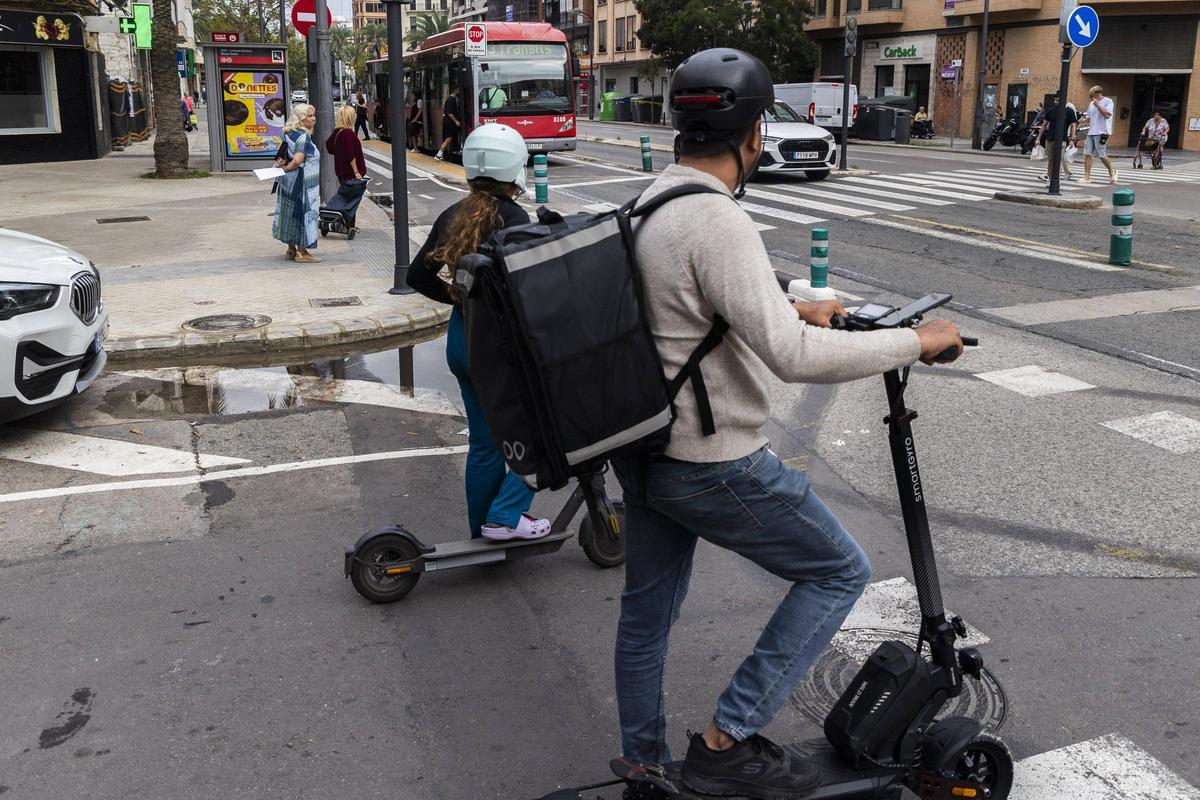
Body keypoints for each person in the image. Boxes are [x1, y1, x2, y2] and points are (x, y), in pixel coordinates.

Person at [613, 48, 964, 800]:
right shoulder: (716, 217)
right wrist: (917, 340)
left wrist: (788, 301)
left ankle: (645, 765)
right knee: (839, 570)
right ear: (751, 133)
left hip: (641, 450)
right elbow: (795, 357)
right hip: (711, 458)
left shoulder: (651, 203)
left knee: (646, 614)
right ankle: (725, 741)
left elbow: (690, 305)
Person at [407, 123, 553, 541]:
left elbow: (417, 275)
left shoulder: (453, 213)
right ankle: (506, 516)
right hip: (500, 348)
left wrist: (456, 297)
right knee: (542, 434)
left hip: (462, 341)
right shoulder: (512, 217)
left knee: (485, 444)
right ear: (514, 169)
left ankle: (483, 529)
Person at [272, 104, 321, 263]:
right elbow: (298, 159)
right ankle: (302, 251)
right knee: (303, 213)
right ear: (300, 118)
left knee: (289, 212)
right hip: (302, 182)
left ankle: (291, 249)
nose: (313, 118)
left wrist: (284, 169)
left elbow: (284, 153)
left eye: (313, 115)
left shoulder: (289, 133)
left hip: (287, 182)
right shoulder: (303, 137)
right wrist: (287, 168)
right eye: (309, 116)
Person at [1082, 85, 1118, 185]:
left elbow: (1107, 115)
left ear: (1098, 93)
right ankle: (1087, 177)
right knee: (1087, 154)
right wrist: (1083, 120)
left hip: (1102, 131)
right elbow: (1089, 118)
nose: (1091, 98)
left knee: (1101, 155)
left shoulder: (1108, 101)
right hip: (1091, 131)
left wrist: (1098, 105)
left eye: (1092, 96)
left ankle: (1112, 171)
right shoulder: (1091, 104)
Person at [1038, 96, 1076, 182]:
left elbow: (1073, 125)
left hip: (1062, 139)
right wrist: (1038, 138)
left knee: (1058, 161)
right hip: (1050, 138)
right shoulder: (1051, 110)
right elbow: (1044, 125)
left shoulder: (1069, 111)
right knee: (1050, 160)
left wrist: (1072, 139)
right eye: (1054, 100)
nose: (1055, 102)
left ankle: (1055, 181)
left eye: (1057, 100)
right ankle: (1050, 178)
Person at [435, 85, 462, 161]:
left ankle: (442, 154)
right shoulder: (451, 99)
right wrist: (456, 121)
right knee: (448, 139)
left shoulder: (451, 99)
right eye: (458, 89)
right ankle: (439, 154)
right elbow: (450, 113)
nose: (459, 91)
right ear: (455, 90)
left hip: (448, 122)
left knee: (448, 138)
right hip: (449, 123)